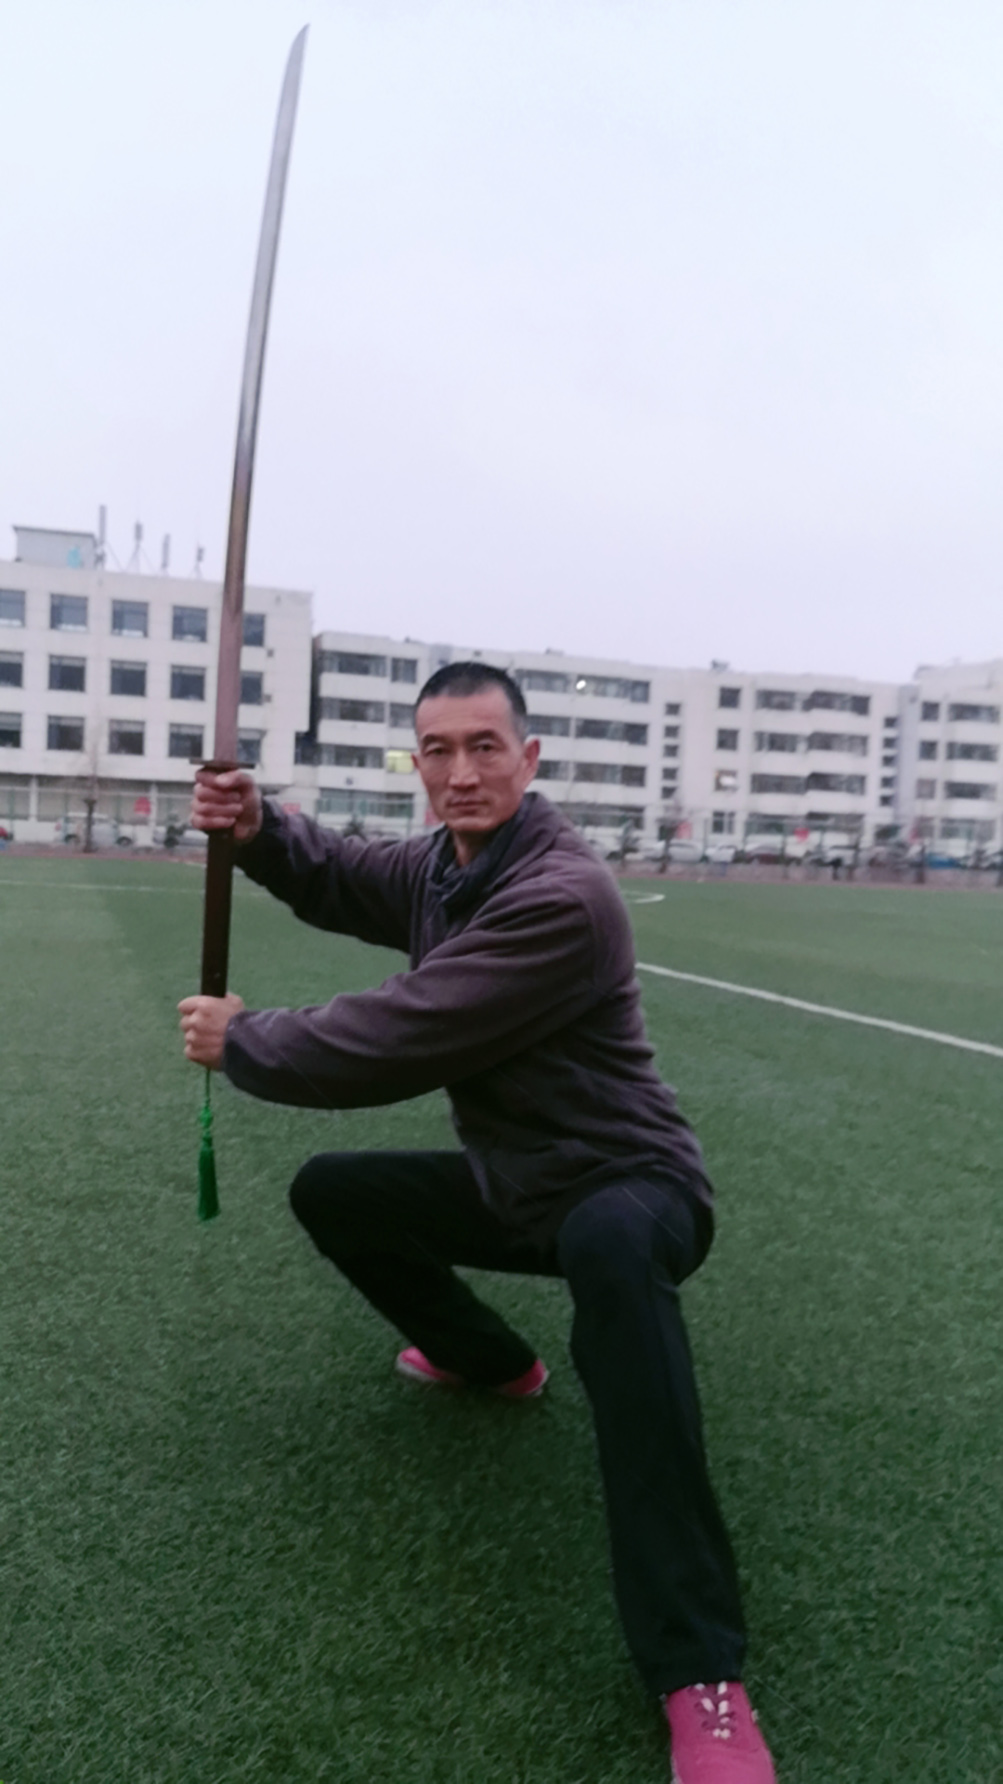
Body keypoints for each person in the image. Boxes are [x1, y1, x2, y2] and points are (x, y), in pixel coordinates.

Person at [179, 662, 776, 1784]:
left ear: (528, 759)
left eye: (484, 747)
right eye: (437, 750)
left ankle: (699, 1669)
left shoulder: (562, 895)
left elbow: (406, 1031)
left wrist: (248, 1040)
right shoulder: (440, 866)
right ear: (418, 764)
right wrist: (259, 828)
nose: (460, 772)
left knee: (607, 1247)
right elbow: (340, 873)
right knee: (333, 1190)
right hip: (518, 1184)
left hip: (631, 1185)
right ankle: (493, 1360)